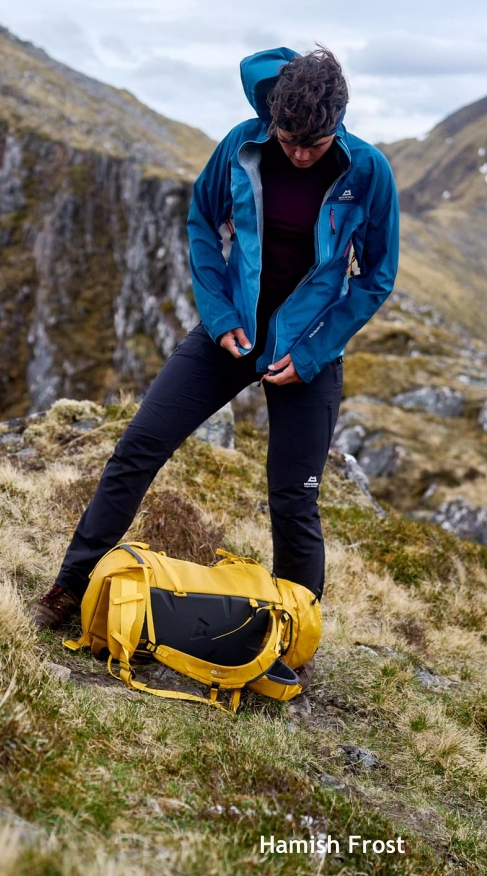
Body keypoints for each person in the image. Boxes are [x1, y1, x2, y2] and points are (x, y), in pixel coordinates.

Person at [30, 47, 400, 682]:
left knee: (293, 501)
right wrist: (220, 311)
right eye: (290, 140)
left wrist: (310, 352)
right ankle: (69, 588)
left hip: (305, 351)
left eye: (315, 143)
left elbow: (376, 276)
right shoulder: (241, 145)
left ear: (339, 122)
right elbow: (204, 220)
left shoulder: (368, 172)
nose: (301, 154)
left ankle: (292, 644)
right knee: (137, 448)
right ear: (271, 118)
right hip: (230, 335)